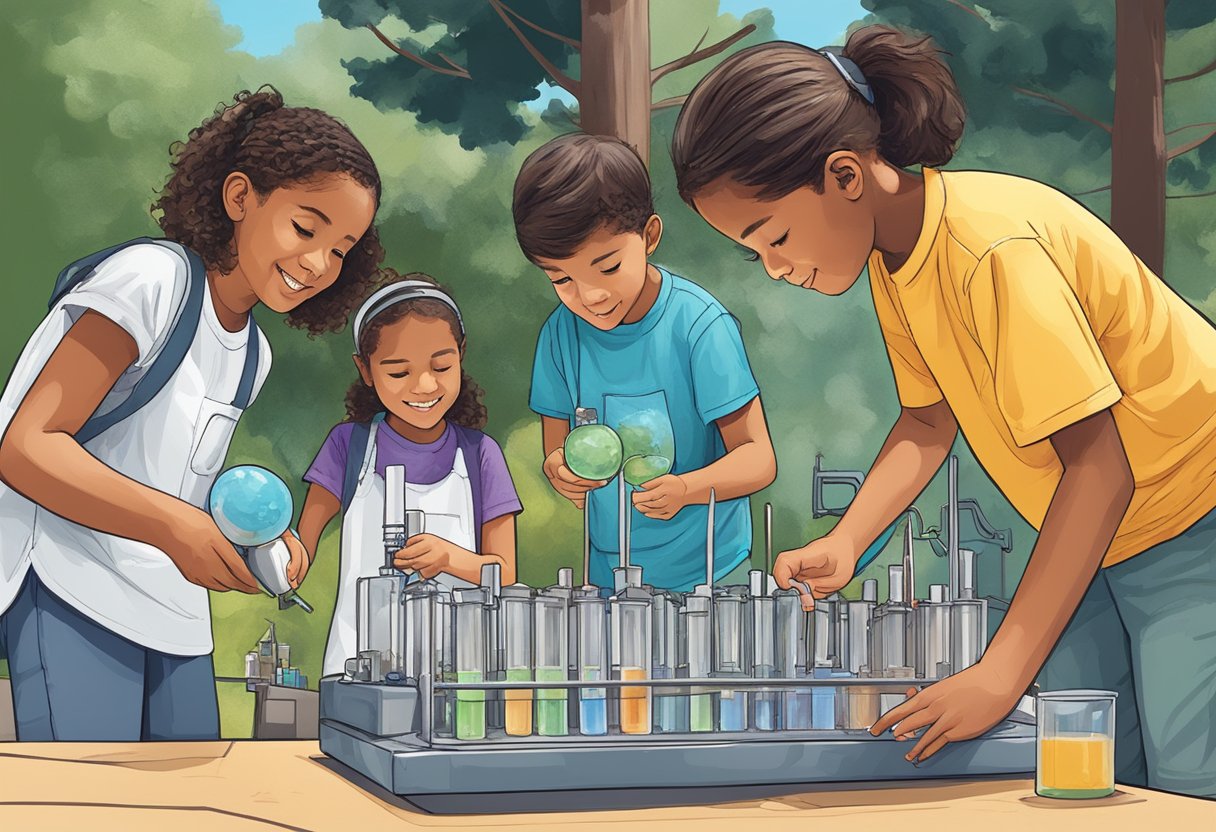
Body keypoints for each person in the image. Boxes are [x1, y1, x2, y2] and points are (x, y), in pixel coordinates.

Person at [670, 25, 1216, 796]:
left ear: (847, 176)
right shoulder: (896, 258)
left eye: (778, 237)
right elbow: (928, 421)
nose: (777, 269)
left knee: (1192, 775)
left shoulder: (991, 251)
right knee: (1083, 762)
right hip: (1109, 536)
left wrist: (997, 672)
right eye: (754, 253)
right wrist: (850, 541)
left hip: (1196, 517)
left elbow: (1100, 467)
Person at [0, 87, 384, 741]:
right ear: (240, 197)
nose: (319, 263)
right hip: (72, 591)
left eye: (341, 248)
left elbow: (176, 480)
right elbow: (26, 445)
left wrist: (256, 547)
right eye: (304, 228)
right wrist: (176, 527)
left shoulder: (250, 354)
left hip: (172, 617)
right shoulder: (150, 280)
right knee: (95, 804)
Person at [517, 133, 777, 592]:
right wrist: (559, 470)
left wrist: (685, 490)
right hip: (609, 575)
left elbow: (758, 459)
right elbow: (556, 449)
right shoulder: (560, 335)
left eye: (609, 267)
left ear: (649, 236)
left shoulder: (699, 326)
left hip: (712, 575)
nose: (591, 296)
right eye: (562, 280)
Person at [297, 271, 523, 678]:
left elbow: (504, 574)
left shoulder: (479, 455)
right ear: (365, 370)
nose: (423, 386)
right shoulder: (348, 447)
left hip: (458, 672)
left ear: (461, 355)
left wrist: (449, 558)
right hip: (358, 666)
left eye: (441, 366)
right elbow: (301, 547)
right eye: (398, 372)